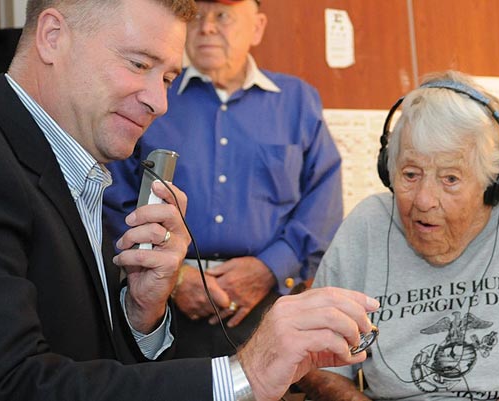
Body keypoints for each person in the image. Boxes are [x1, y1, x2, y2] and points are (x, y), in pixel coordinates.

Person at [0, 0, 379, 400]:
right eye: (139, 64)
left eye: (167, 77)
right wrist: (246, 375)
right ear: (53, 37)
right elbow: (14, 384)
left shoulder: (79, 165)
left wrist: (140, 313)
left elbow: (84, 360)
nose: (160, 104)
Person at [297, 70, 499, 401]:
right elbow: (317, 364)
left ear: (493, 184)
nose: (424, 200)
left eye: (450, 178)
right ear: (388, 171)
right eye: (410, 174)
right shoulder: (366, 227)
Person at [103, 0, 344, 356]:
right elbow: (112, 196)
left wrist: (268, 268)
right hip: (159, 305)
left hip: (271, 308)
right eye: (197, 16)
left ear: (258, 27)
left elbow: (322, 202)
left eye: (223, 16)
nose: (208, 27)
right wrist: (175, 277)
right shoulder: (151, 97)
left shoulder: (297, 101)